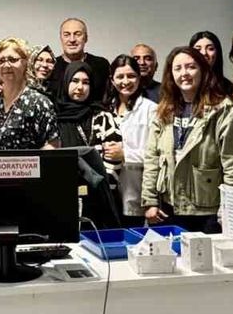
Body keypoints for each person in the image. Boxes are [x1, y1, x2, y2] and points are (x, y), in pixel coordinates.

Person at [141, 47, 233, 233]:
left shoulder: (224, 112)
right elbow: (152, 159)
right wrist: (150, 201)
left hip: (209, 211)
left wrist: (229, 209)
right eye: (178, 68)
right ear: (171, 75)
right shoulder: (164, 111)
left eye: (191, 67)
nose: (184, 73)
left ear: (203, 71)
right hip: (169, 208)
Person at [54, 61, 121, 229]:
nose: (80, 87)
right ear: (66, 82)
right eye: (75, 81)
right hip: (62, 195)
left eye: (86, 82)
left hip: (99, 197)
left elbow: (114, 159)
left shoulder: (103, 116)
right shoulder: (53, 117)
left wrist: (97, 185)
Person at [100, 56, 156, 227]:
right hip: (109, 190)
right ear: (112, 80)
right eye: (120, 77)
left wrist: (125, 154)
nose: (125, 81)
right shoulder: (105, 108)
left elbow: (157, 155)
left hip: (135, 189)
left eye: (131, 76)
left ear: (139, 78)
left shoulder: (151, 110)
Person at [0, 38, 58, 151]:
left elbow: (53, 144)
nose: (6, 65)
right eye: (1, 61)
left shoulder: (40, 103)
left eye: (13, 60)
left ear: (26, 63)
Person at [50, 18, 111, 102]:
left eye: (77, 34)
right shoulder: (51, 66)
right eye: (67, 35)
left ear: (86, 38)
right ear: (61, 38)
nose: (72, 39)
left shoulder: (101, 65)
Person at [188, 31, 233, 99]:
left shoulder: (229, 88)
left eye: (210, 49)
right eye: (198, 49)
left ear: (217, 53)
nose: (204, 53)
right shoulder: (185, 84)